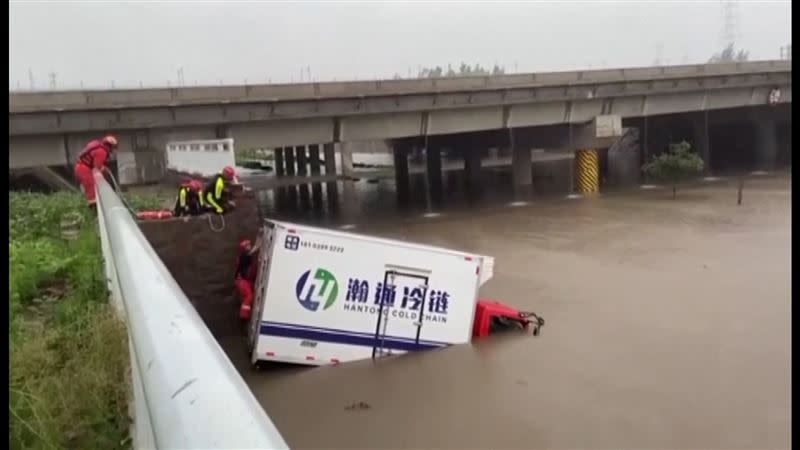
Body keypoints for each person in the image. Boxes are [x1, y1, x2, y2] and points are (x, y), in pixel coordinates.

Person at [74, 135, 118, 212]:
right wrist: (105, 169)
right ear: (110, 146)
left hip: (81, 167)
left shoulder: (97, 145)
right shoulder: (102, 152)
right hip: (84, 169)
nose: (113, 150)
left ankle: (93, 208)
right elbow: (97, 166)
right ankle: (94, 211)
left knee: (90, 188)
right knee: (91, 190)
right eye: (113, 147)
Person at [235, 234, 262, 321]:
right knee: (249, 296)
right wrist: (260, 237)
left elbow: (256, 246)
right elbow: (256, 247)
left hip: (244, 280)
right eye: (248, 245)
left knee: (248, 296)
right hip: (242, 281)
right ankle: (243, 316)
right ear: (245, 247)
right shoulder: (244, 255)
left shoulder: (245, 255)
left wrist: (259, 236)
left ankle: (245, 314)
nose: (249, 246)